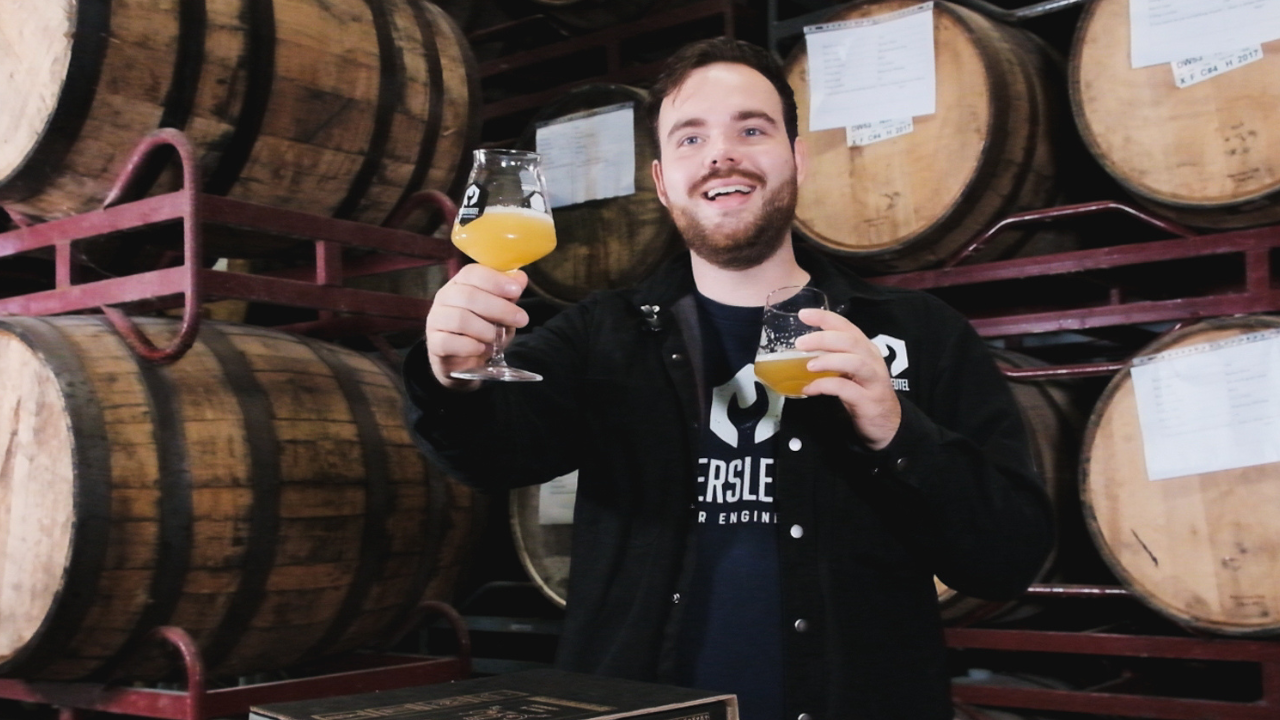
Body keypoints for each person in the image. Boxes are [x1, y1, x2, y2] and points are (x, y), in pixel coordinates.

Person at [405, 37, 1054, 720]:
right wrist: (450, 375)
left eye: (752, 128)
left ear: (797, 159)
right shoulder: (605, 335)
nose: (721, 154)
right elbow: (494, 454)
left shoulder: (919, 332)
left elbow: (1007, 558)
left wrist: (897, 431)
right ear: (661, 182)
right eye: (690, 138)